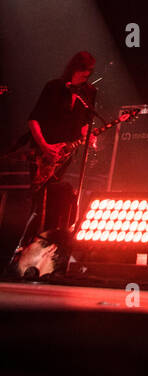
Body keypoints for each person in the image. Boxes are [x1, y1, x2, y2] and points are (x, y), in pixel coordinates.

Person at [24, 51, 97, 242]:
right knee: (38, 197)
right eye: (83, 70)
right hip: (42, 150)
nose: (86, 75)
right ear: (74, 68)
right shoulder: (54, 87)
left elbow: (86, 122)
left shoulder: (89, 92)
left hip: (65, 153)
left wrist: (89, 137)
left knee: (55, 195)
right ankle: (25, 241)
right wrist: (44, 145)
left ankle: (46, 238)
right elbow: (34, 119)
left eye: (88, 71)